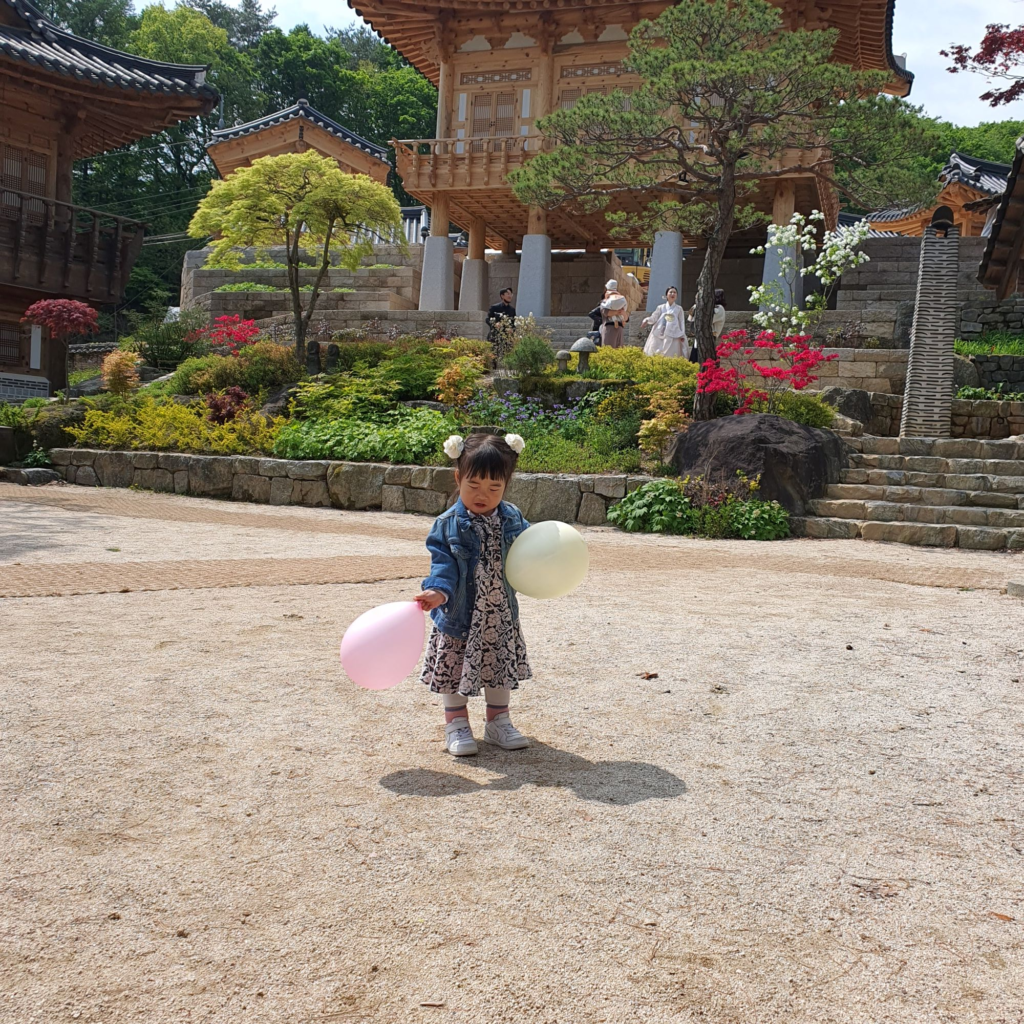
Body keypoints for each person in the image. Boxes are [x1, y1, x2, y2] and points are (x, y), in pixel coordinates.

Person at [414, 431, 532, 757]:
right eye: (474, 486)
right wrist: (437, 591)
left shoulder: (512, 518)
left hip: (499, 613)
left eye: (494, 488)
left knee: (499, 667)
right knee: (454, 670)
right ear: (458, 477)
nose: (483, 494)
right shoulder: (447, 524)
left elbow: (531, 551)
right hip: (459, 615)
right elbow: (443, 566)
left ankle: (499, 722)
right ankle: (456, 724)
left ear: (506, 485)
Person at [641, 286, 687, 357]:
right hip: (660, 332)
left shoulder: (679, 309)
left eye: (674, 292)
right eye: (670, 292)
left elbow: (681, 322)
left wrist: (682, 334)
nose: (672, 294)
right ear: (666, 295)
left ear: (676, 295)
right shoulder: (661, 307)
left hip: (674, 333)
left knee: (672, 354)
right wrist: (647, 320)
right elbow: (654, 317)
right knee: (656, 352)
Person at [687, 288, 727, 363]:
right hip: (699, 338)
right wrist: (697, 303)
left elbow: (706, 320)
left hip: (709, 339)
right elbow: (690, 318)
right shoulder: (705, 308)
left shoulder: (720, 309)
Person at [599, 279, 629, 349]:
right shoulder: (605, 302)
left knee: (619, 350)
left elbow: (626, 318)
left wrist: (623, 313)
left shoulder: (620, 300)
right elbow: (606, 312)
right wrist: (617, 312)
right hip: (609, 327)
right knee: (608, 349)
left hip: (619, 327)